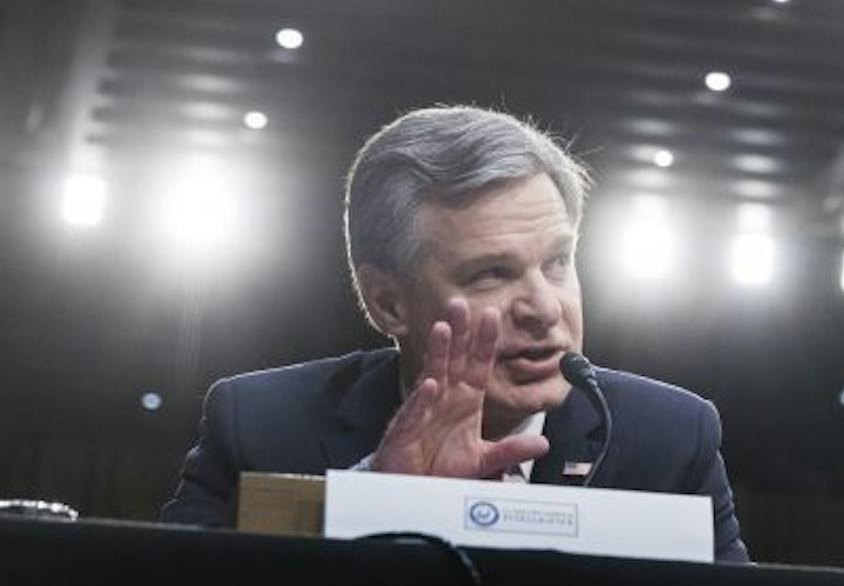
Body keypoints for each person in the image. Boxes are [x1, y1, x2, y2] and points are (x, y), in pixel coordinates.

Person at [161, 105, 749, 562]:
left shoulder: (671, 442)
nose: (545, 307)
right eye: (493, 274)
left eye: (557, 261)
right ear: (388, 302)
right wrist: (378, 502)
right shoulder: (260, 425)